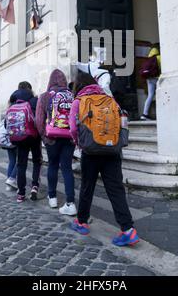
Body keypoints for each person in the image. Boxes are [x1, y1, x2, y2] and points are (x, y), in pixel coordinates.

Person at [69, 71, 140, 247]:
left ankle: (82, 222)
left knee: (87, 187)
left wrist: (79, 143)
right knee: (116, 189)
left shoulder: (79, 101)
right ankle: (128, 230)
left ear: (78, 85)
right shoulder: (109, 99)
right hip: (112, 151)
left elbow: (72, 128)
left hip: (90, 151)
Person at [36, 69, 76, 216]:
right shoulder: (72, 95)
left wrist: (44, 137)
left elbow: (39, 120)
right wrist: (74, 137)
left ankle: (52, 197)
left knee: (52, 165)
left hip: (52, 137)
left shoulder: (45, 96)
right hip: (69, 137)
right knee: (67, 168)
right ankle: (70, 203)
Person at [9, 81, 42, 203]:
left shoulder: (13, 101)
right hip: (34, 136)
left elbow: (8, 122)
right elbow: (39, 119)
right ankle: (34, 187)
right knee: (36, 161)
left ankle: (21, 194)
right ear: (30, 89)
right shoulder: (34, 100)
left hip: (19, 137)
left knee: (21, 164)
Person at [140, 43, 161, 120]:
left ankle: (144, 114)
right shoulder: (159, 57)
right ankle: (161, 112)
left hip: (149, 78)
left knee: (150, 95)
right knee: (161, 94)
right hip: (157, 78)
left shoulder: (148, 59)